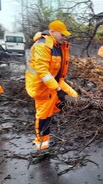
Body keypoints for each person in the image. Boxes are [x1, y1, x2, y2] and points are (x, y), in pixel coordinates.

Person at [25, 20, 78, 150]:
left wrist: (59, 87)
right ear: (52, 32)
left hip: (54, 82)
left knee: (74, 96)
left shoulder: (57, 45)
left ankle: (58, 106)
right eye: (62, 34)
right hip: (41, 87)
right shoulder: (42, 46)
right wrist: (58, 89)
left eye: (65, 35)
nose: (64, 37)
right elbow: (43, 72)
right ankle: (41, 145)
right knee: (44, 116)